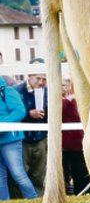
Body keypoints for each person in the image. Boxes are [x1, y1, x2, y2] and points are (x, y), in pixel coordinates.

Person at [1, 76, 39, 201]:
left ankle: (33, 199)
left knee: (18, 174)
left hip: (10, 139)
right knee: (0, 176)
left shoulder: (7, 90)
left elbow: (19, 111)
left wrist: (1, 124)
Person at [60, 78, 90, 195]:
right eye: (61, 85)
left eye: (65, 85)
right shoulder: (59, 101)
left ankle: (81, 193)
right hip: (63, 144)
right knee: (63, 172)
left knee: (79, 172)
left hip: (77, 144)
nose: (63, 88)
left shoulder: (77, 100)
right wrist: (65, 100)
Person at [20, 65, 47, 196]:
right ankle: (20, 201)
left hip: (41, 139)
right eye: (38, 78)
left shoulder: (48, 91)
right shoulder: (17, 90)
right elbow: (15, 112)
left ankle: (39, 200)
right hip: (22, 140)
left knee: (40, 174)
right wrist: (29, 114)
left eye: (44, 79)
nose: (41, 82)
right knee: (21, 173)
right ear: (29, 76)